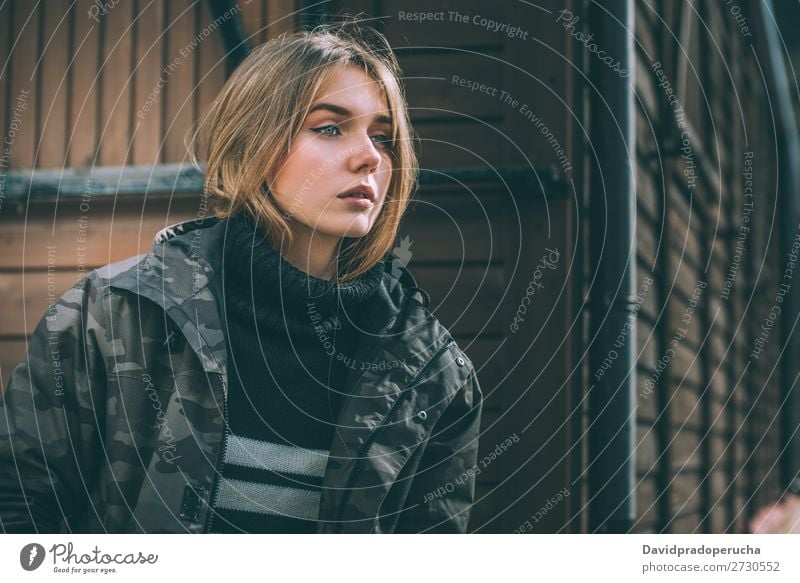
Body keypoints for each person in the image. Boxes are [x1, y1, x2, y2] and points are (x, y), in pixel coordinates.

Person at [0, 20, 483, 534]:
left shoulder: (431, 375)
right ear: (252, 143)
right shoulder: (110, 315)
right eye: (328, 127)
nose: (369, 156)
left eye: (384, 138)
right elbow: (21, 512)